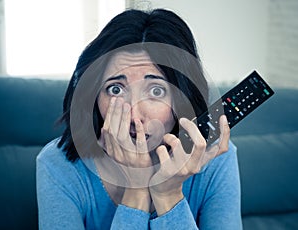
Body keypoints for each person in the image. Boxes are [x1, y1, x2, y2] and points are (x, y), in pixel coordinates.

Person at [36, 8, 242, 229]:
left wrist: (168, 195)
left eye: (156, 91)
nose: (134, 116)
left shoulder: (216, 157)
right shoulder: (57, 165)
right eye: (116, 89)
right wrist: (136, 191)